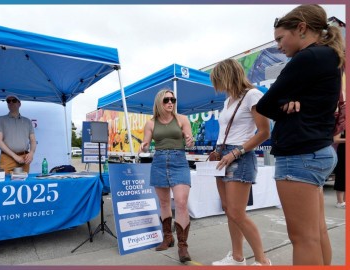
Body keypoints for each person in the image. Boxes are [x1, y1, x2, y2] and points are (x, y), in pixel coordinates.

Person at [256, 4, 344, 265]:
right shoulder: (329, 56)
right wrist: (289, 98)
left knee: (302, 238)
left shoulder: (306, 58)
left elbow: (265, 105)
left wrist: (284, 101)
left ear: (302, 28)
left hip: (299, 154)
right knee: (316, 233)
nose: (279, 47)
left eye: (281, 39)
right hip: (317, 151)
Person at [209, 59, 272, 266]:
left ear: (228, 75)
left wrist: (235, 152)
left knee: (237, 212)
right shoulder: (228, 101)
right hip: (222, 156)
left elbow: (264, 132)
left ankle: (262, 261)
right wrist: (216, 151)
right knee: (229, 210)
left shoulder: (252, 95)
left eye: (218, 80)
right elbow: (226, 132)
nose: (217, 86)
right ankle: (237, 257)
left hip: (240, 157)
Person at [139, 89, 194, 263]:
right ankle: (167, 237)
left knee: (180, 202)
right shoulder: (151, 123)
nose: (170, 102)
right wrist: (144, 146)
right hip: (159, 161)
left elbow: (189, 142)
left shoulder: (182, 119)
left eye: (173, 99)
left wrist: (190, 141)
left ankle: (182, 245)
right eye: (166, 100)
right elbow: (146, 146)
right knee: (163, 202)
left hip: (179, 161)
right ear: (159, 103)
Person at [0, 94, 36, 174]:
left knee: (24, 184)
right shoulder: (0, 119)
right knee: (5, 184)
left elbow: (33, 140)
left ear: (19, 104)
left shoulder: (27, 121)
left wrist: (31, 153)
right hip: (7, 158)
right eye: (8, 101)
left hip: (24, 158)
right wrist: (15, 156)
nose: (11, 103)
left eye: (14, 100)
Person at [333, 130, 345, 208]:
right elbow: (335, 139)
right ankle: (340, 202)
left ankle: (345, 201)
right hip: (343, 152)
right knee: (341, 175)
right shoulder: (342, 125)